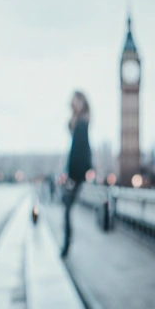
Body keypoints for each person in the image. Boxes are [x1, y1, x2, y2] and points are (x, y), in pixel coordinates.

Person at [60, 90, 92, 258]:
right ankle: (66, 242)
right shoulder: (80, 122)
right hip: (75, 174)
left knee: (66, 208)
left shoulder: (82, 123)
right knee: (66, 208)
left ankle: (67, 243)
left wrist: (72, 176)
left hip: (75, 175)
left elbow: (81, 152)